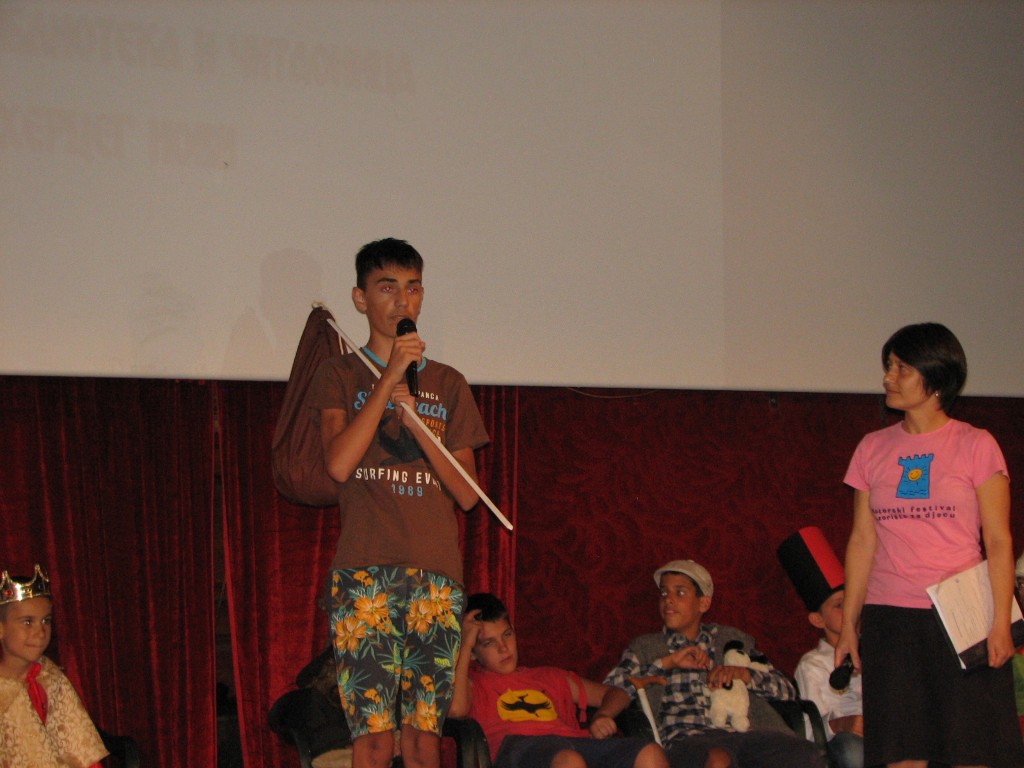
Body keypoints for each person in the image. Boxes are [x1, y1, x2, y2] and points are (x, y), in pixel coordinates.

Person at [308, 238, 491, 768]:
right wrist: (388, 378)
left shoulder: (448, 383)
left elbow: (467, 494)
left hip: (436, 576)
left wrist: (416, 422)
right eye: (387, 288)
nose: (402, 300)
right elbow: (338, 464)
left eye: (412, 288)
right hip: (364, 574)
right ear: (360, 298)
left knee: (424, 739)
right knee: (372, 738)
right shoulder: (339, 374)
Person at [835, 322, 1024, 768]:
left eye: (902, 368)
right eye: (888, 366)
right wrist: (848, 625)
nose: (888, 377)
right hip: (891, 618)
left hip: (962, 617)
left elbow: (998, 540)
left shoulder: (976, 444)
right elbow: (862, 540)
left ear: (937, 376)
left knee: (972, 750)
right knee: (901, 752)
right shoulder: (872, 448)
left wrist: (1000, 622)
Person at [601, 559, 826, 768]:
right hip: (687, 740)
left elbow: (787, 691)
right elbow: (614, 688)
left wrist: (744, 675)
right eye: (664, 592)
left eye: (680, 592)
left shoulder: (732, 640)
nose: (668, 599)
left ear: (703, 603)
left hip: (745, 734)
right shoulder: (645, 647)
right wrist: (664, 664)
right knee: (718, 758)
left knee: (803, 752)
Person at [449, 593, 668, 768]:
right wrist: (465, 644)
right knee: (568, 760)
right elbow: (457, 710)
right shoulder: (473, 683)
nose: (503, 648)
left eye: (507, 635)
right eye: (489, 643)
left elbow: (617, 693)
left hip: (574, 744)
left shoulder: (550, 676)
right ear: (474, 653)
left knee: (650, 752)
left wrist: (603, 715)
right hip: (519, 750)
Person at [0, 564, 109, 768]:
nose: (40, 632)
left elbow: (82, 752)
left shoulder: (50, 677)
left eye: (46, 621)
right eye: (27, 622)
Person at [777, 526, 863, 768]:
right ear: (817, 619)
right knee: (851, 751)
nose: (850, 610)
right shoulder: (813, 664)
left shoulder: (877, 648)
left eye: (853, 602)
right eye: (839, 605)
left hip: (886, 732)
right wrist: (843, 723)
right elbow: (809, 730)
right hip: (846, 739)